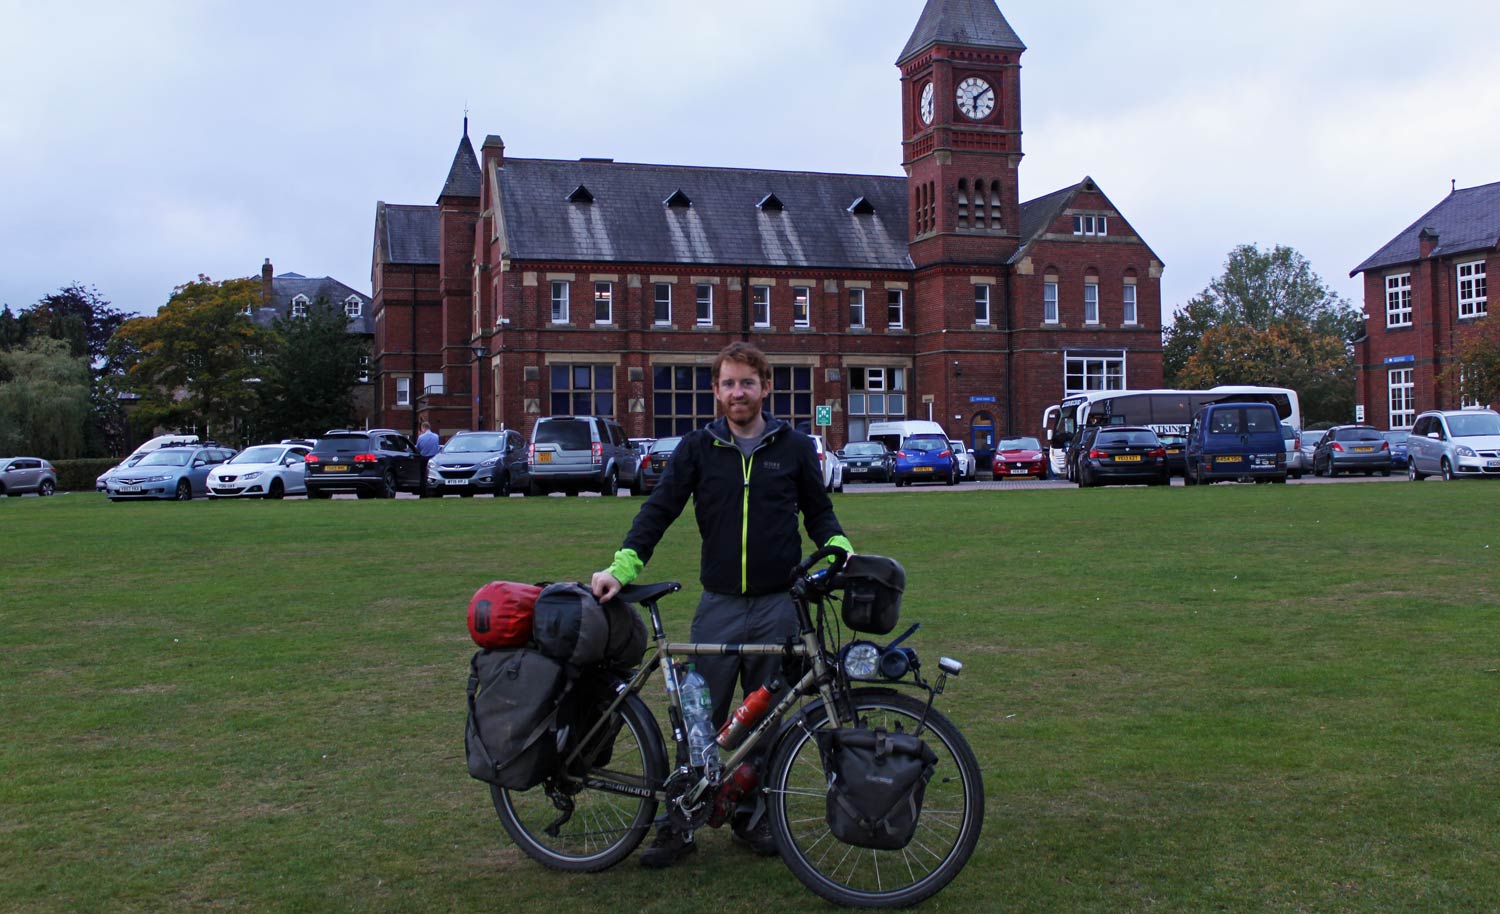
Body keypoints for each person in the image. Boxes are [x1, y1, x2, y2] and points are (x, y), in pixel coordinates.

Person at [591, 341, 851, 868]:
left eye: (747, 383)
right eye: (729, 383)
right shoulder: (697, 448)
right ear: (716, 391)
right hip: (719, 603)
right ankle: (678, 824)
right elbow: (658, 510)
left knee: (767, 719)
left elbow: (819, 515)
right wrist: (623, 567)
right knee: (700, 718)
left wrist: (840, 548)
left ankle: (749, 816)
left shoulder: (794, 446)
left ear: (765, 388)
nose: (738, 392)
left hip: (781, 604)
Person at [415, 421, 441, 495]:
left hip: (424, 458)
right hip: (434, 458)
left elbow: (418, 448)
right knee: (434, 475)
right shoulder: (436, 436)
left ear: (423, 428)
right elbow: (437, 447)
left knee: (423, 476)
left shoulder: (421, 437)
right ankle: (434, 491)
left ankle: (423, 493)